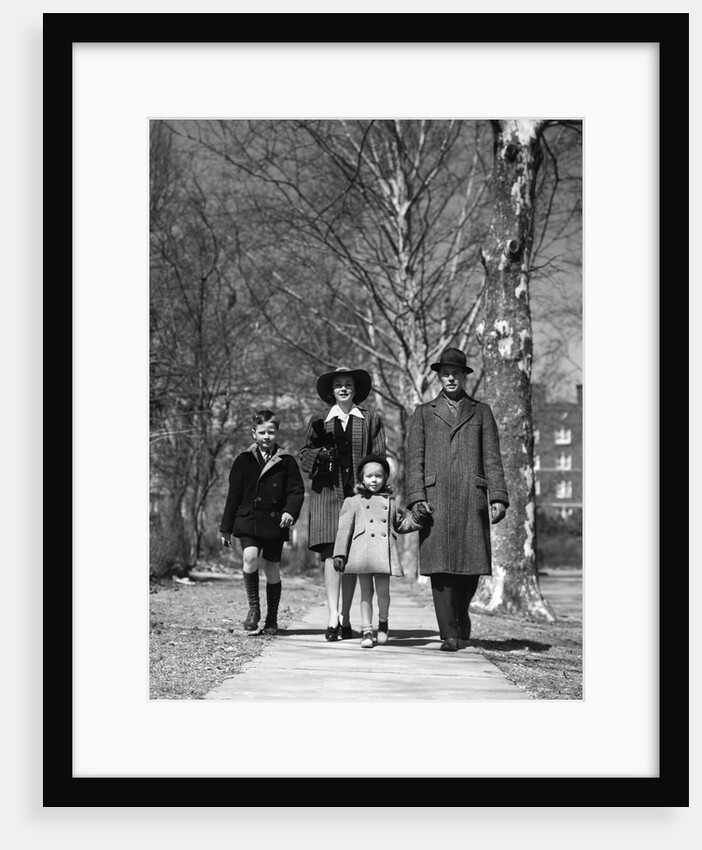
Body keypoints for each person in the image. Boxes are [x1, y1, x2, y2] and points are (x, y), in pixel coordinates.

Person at [406, 347, 509, 652]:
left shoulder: (481, 411)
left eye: (456, 374)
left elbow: (492, 457)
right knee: (440, 567)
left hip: (471, 496)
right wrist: (416, 498)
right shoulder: (423, 413)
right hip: (434, 497)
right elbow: (415, 460)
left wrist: (498, 496)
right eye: (445, 374)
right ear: (439, 377)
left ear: (464, 377)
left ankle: (460, 615)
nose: (450, 378)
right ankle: (448, 632)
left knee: (471, 566)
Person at [300, 367, 386, 642]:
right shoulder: (319, 419)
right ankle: (332, 616)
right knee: (330, 554)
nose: (344, 388)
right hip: (327, 495)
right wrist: (319, 455)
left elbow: (380, 460)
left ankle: (346, 619)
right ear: (331, 390)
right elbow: (304, 455)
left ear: (356, 389)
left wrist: (373, 488)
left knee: (353, 556)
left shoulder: (371, 419)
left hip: (361, 499)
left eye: (348, 384)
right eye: (339, 385)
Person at [219, 409, 305, 635]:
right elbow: (233, 495)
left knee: (272, 568)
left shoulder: (286, 461)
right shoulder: (243, 460)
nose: (266, 436)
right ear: (253, 433)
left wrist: (290, 512)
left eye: (271, 432)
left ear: (277, 433)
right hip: (247, 518)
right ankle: (254, 609)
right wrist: (225, 528)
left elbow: (296, 491)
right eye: (262, 432)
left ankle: (272, 619)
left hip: (275, 521)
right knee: (249, 557)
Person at [332, 454, 427, 648]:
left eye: (378, 476)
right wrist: (339, 553)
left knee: (383, 592)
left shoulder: (391, 502)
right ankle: (367, 630)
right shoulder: (353, 501)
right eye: (369, 476)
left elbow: (400, 525)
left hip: (383, 553)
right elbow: (344, 530)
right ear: (362, 479)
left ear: (385, 478)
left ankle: (383, 622)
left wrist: (418, 520)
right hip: (362, 554)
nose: (373, 480)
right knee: (366, 593)